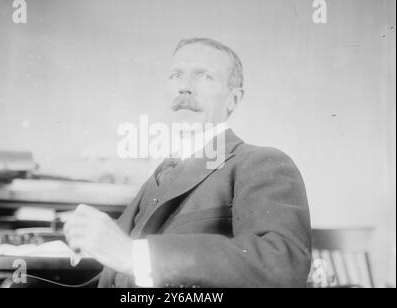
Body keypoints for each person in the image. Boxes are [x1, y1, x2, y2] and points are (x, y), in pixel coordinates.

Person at [64, 38, 312, 288]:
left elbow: (283, 264)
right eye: (175, 75)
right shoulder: (159, 174)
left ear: (233, 100)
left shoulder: (260, 162)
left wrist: (137, 257)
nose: (185, 87)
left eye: (204, 76)